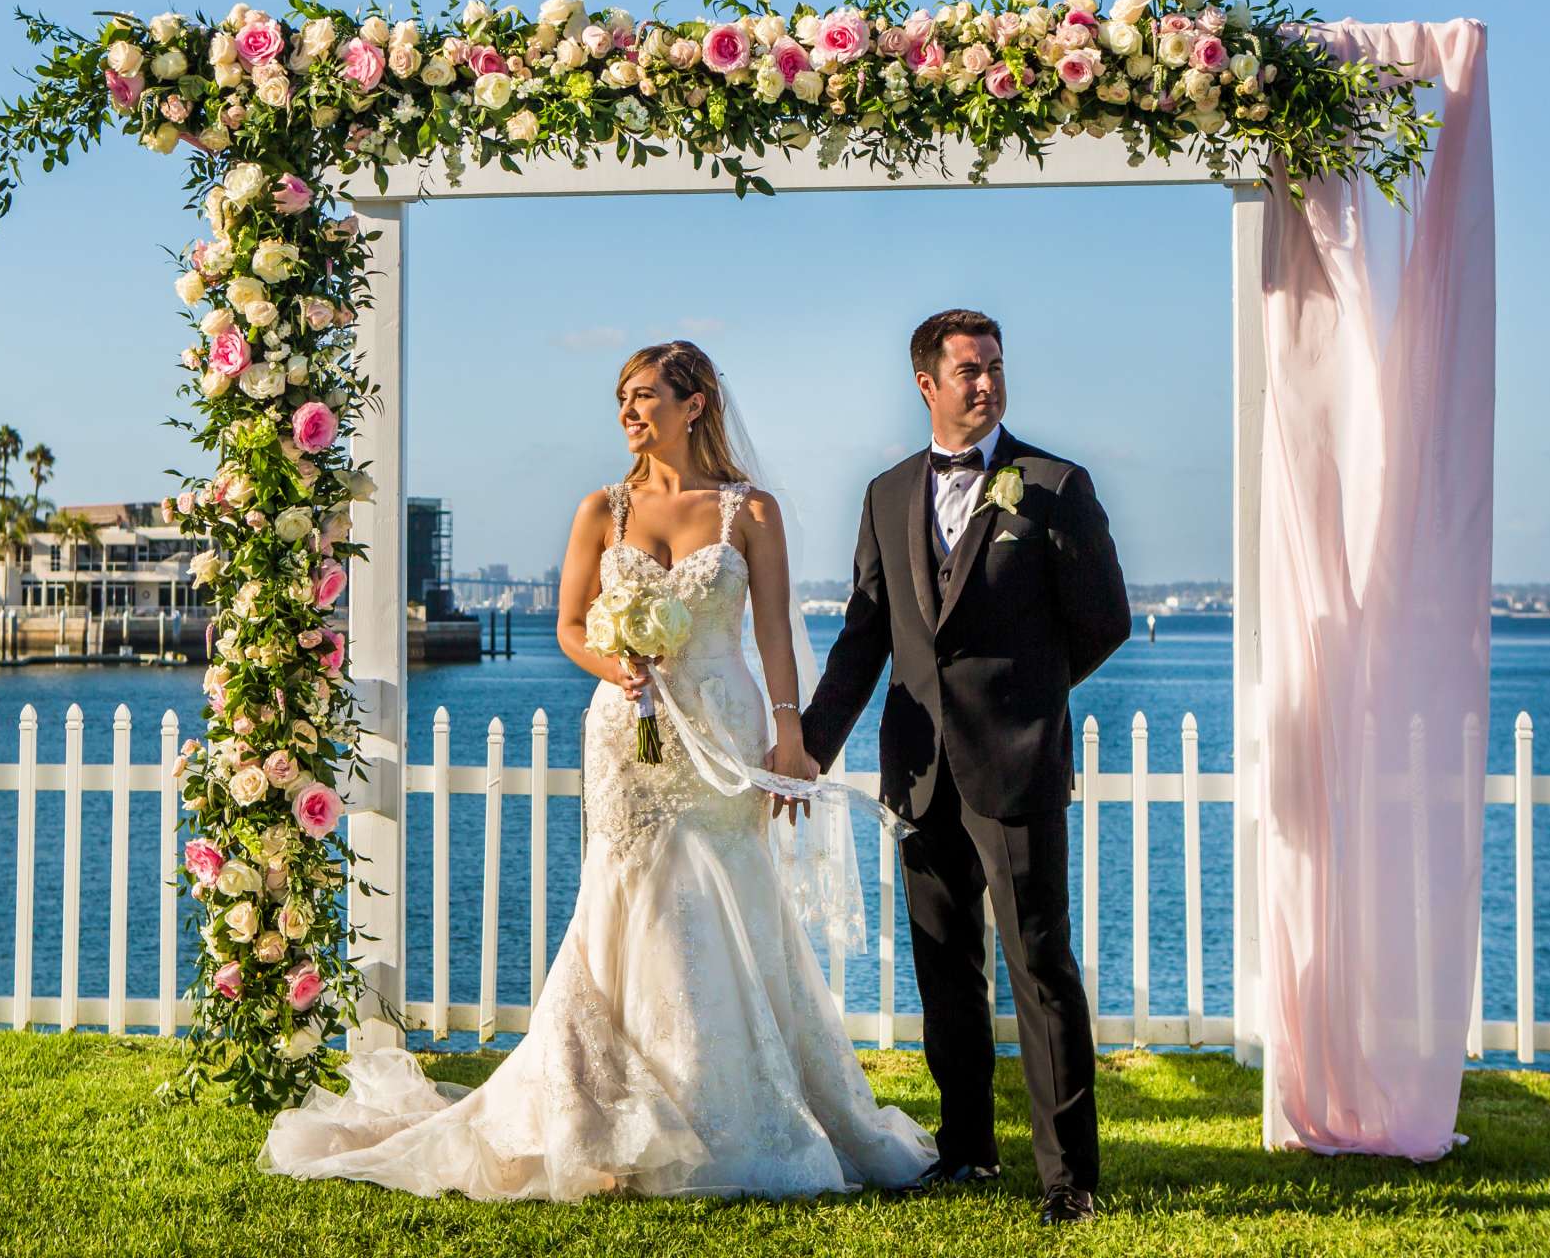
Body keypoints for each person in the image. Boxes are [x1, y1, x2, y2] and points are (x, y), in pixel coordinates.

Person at [259, 339, 934, 1200]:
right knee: (626, 897)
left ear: (695, 405)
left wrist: (790, 731)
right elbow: (571, 625)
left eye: (645, 395)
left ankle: (728, 1106)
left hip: (721, 730)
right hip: (628, 732)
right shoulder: (600, 511)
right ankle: (604, 1112)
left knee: (724, 895)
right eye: (622, 397)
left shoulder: (748, 512)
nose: (628, 411)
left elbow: (771, 633)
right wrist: (615, 663)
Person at [783, 308, 1131, 1225]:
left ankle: (1070, 1181)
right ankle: (968, 1150)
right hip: (919, 769)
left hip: (1015, 764)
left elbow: (1104, 621)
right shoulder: (886, 493)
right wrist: (811, 748)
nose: (986, 383)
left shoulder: (1053, 485)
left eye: (996, 367)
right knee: (945, 969)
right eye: (968, 370)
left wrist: (1028, 699)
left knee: (1041, 969)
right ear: (926, 385)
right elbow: (864, 639)